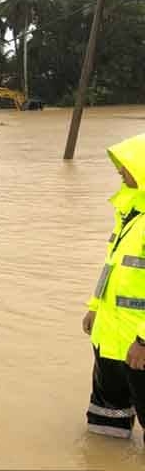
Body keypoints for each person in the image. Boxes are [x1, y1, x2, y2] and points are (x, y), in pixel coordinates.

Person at [82, 133, 145, 440]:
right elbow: (110, 267)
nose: (119, 170)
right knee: (105, 423)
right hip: (110, 337)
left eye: (126, 164)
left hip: (137, 344)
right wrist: (94, 308)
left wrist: (144, 341)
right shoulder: (129, 214)